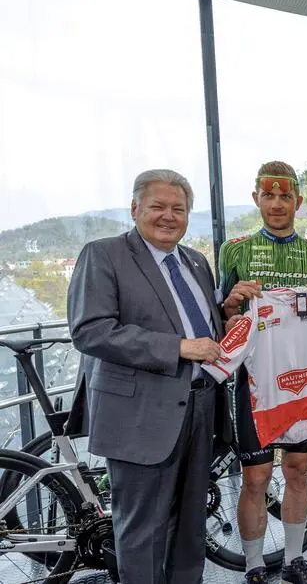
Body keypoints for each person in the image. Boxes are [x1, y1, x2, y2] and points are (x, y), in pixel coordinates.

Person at [66, 169, 224, 584]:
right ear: (135, 209)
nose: (169, 216)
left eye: (179, 209)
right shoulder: (104, 254)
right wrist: (177, 347)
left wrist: (229, 310)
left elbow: (201, 327)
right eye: (158, 206)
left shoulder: (196, 262)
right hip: (140, 415)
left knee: (191, 526)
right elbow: (91, 330)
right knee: (142, 534)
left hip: (200, 406)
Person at [217, 162, 307, 583]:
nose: (277, 204)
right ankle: (253, 564)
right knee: (256, 477)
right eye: (269, 195)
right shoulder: (234, 250)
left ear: (298, 201)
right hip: (255, 380)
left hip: (301, 378)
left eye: (286, 196)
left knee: (298, 469)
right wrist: (231, 303)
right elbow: (222, 320)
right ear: (256, 199)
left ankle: (293, 559)